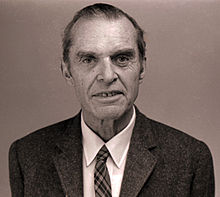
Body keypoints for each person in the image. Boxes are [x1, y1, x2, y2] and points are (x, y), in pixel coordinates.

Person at [9, 3, 214, 197]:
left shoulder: (190, 159)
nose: (107, 76)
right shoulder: (27, 156)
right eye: (89, 59)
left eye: (122, 58)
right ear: (66, 70)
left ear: (142, 67)